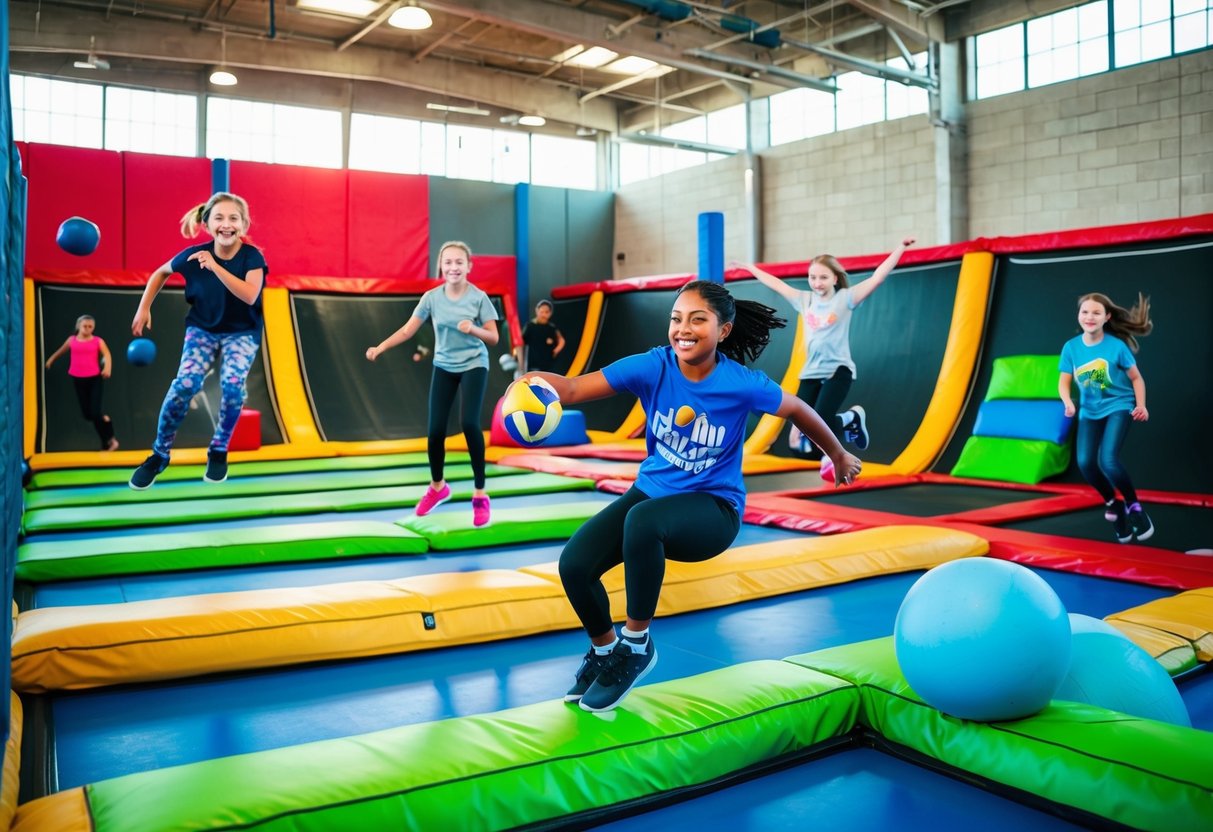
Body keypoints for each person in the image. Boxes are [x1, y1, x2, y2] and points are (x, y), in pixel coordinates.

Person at [510, 280, 862, 713]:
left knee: (643, 520)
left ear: (723, 331)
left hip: (713, 511)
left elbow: (797, 409)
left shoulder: (739, 382)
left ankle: (635, 645)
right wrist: (527, 383)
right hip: (652, 493)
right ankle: (605, 653)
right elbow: (573, 390)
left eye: (698, 320)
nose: (684, 329)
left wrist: (839, 454)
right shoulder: (653, 366)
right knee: (575, 564)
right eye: (676, 319)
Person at [128, 192, 267, 490]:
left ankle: (218, 449)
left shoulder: (252, 257)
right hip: (203, 329)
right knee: (186, 384)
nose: (226, 224)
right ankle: (159, 453)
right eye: (219, 218)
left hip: (241, 332)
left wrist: (215, 266)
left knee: (232, 386)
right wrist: (144, 307)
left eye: (234, 218)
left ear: (243, 224)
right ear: (207, 224)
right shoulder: (192, 256)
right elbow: (160, 273)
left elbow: (249, 295)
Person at [733, 236, 914, 457]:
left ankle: (848, 423)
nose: (817, 282)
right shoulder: (805, 300)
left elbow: (877, 278)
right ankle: (848, 422)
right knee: (801, 429)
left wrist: (900, 248)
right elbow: (777, 284)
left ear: (835, 279)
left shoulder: (846, 299)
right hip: (811, 371)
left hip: (837, 370)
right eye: (813, 277)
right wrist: (751, 267)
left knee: (821, 422)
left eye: (823, 277)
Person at [367, 241, 499, 528]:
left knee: (470, 424)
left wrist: (473, 328)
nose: (453, 267)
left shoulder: (478, 298)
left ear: (468, 266)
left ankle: (480, 494)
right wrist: (381, 347)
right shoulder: (431, 297)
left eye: (459, 263)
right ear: (441, 266)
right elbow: (407, 329)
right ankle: (438, 486)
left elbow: (493, 337)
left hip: (475, 364)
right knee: (435, 429)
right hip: (444, 365)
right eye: (448, 262)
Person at [1058, 292, 1154, 543]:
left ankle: (1134, 507)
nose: (1089, 317)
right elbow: (1064, 381)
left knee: (1108, 461)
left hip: (1118, 406)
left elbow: (1136, 378)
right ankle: (1114, 504)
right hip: (1089, 411)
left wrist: (1141, 405)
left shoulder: (1116, 347)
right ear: (1079, 316)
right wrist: (1068, 402)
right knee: (1086, 463)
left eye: (1096, 312)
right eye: (1085, 312)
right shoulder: (1071, 347)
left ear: (1106, 317)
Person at [45, 314, 119, 451]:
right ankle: (106, 428)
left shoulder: (97, 341)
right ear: (78, 326)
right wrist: (51, 360)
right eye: (85, 326)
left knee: (95, 412)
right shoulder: (71, 340)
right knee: (88, 414)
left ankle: (110, 441)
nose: (87, 329)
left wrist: (107, 367)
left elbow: (107, 354)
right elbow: (61, 351)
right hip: (78, 379)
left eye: (90, 327)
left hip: (95, 378)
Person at [515, 299, 565, 373]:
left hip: (548, 365)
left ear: (550, 313)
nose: (544, 315)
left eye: (546, 312)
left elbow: (561, 340)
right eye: (541, 312)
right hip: (533, 364)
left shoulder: (551, 327)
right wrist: (520, 363)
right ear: (537, 311)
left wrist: (556, 350)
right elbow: (520, 344)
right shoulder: (530, 326)